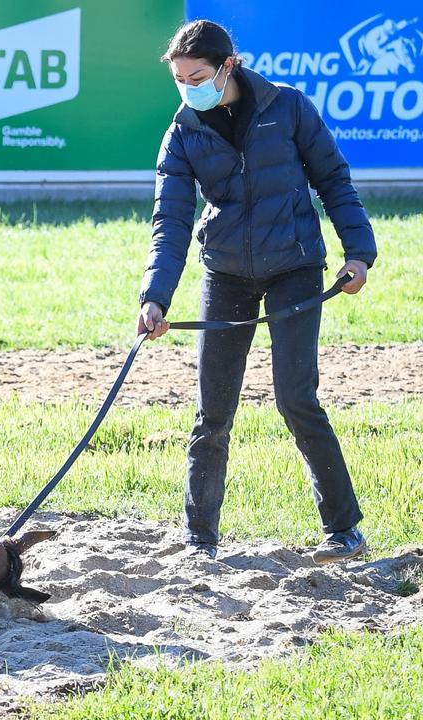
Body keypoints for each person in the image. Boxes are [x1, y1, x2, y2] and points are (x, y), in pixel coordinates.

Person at [136, 20, 377, 564]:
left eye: (195, 76)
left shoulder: (289, 107)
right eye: (178, 80)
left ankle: (344, 531)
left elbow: (334, 180)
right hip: (225, 274)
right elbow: (170, 220)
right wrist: (155, 296)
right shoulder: (181, 132)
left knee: (296, 398)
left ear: (228, 66)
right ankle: (200, 541)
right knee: (212, 412)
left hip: (295, 267)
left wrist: (358, 253)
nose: (187, 88)